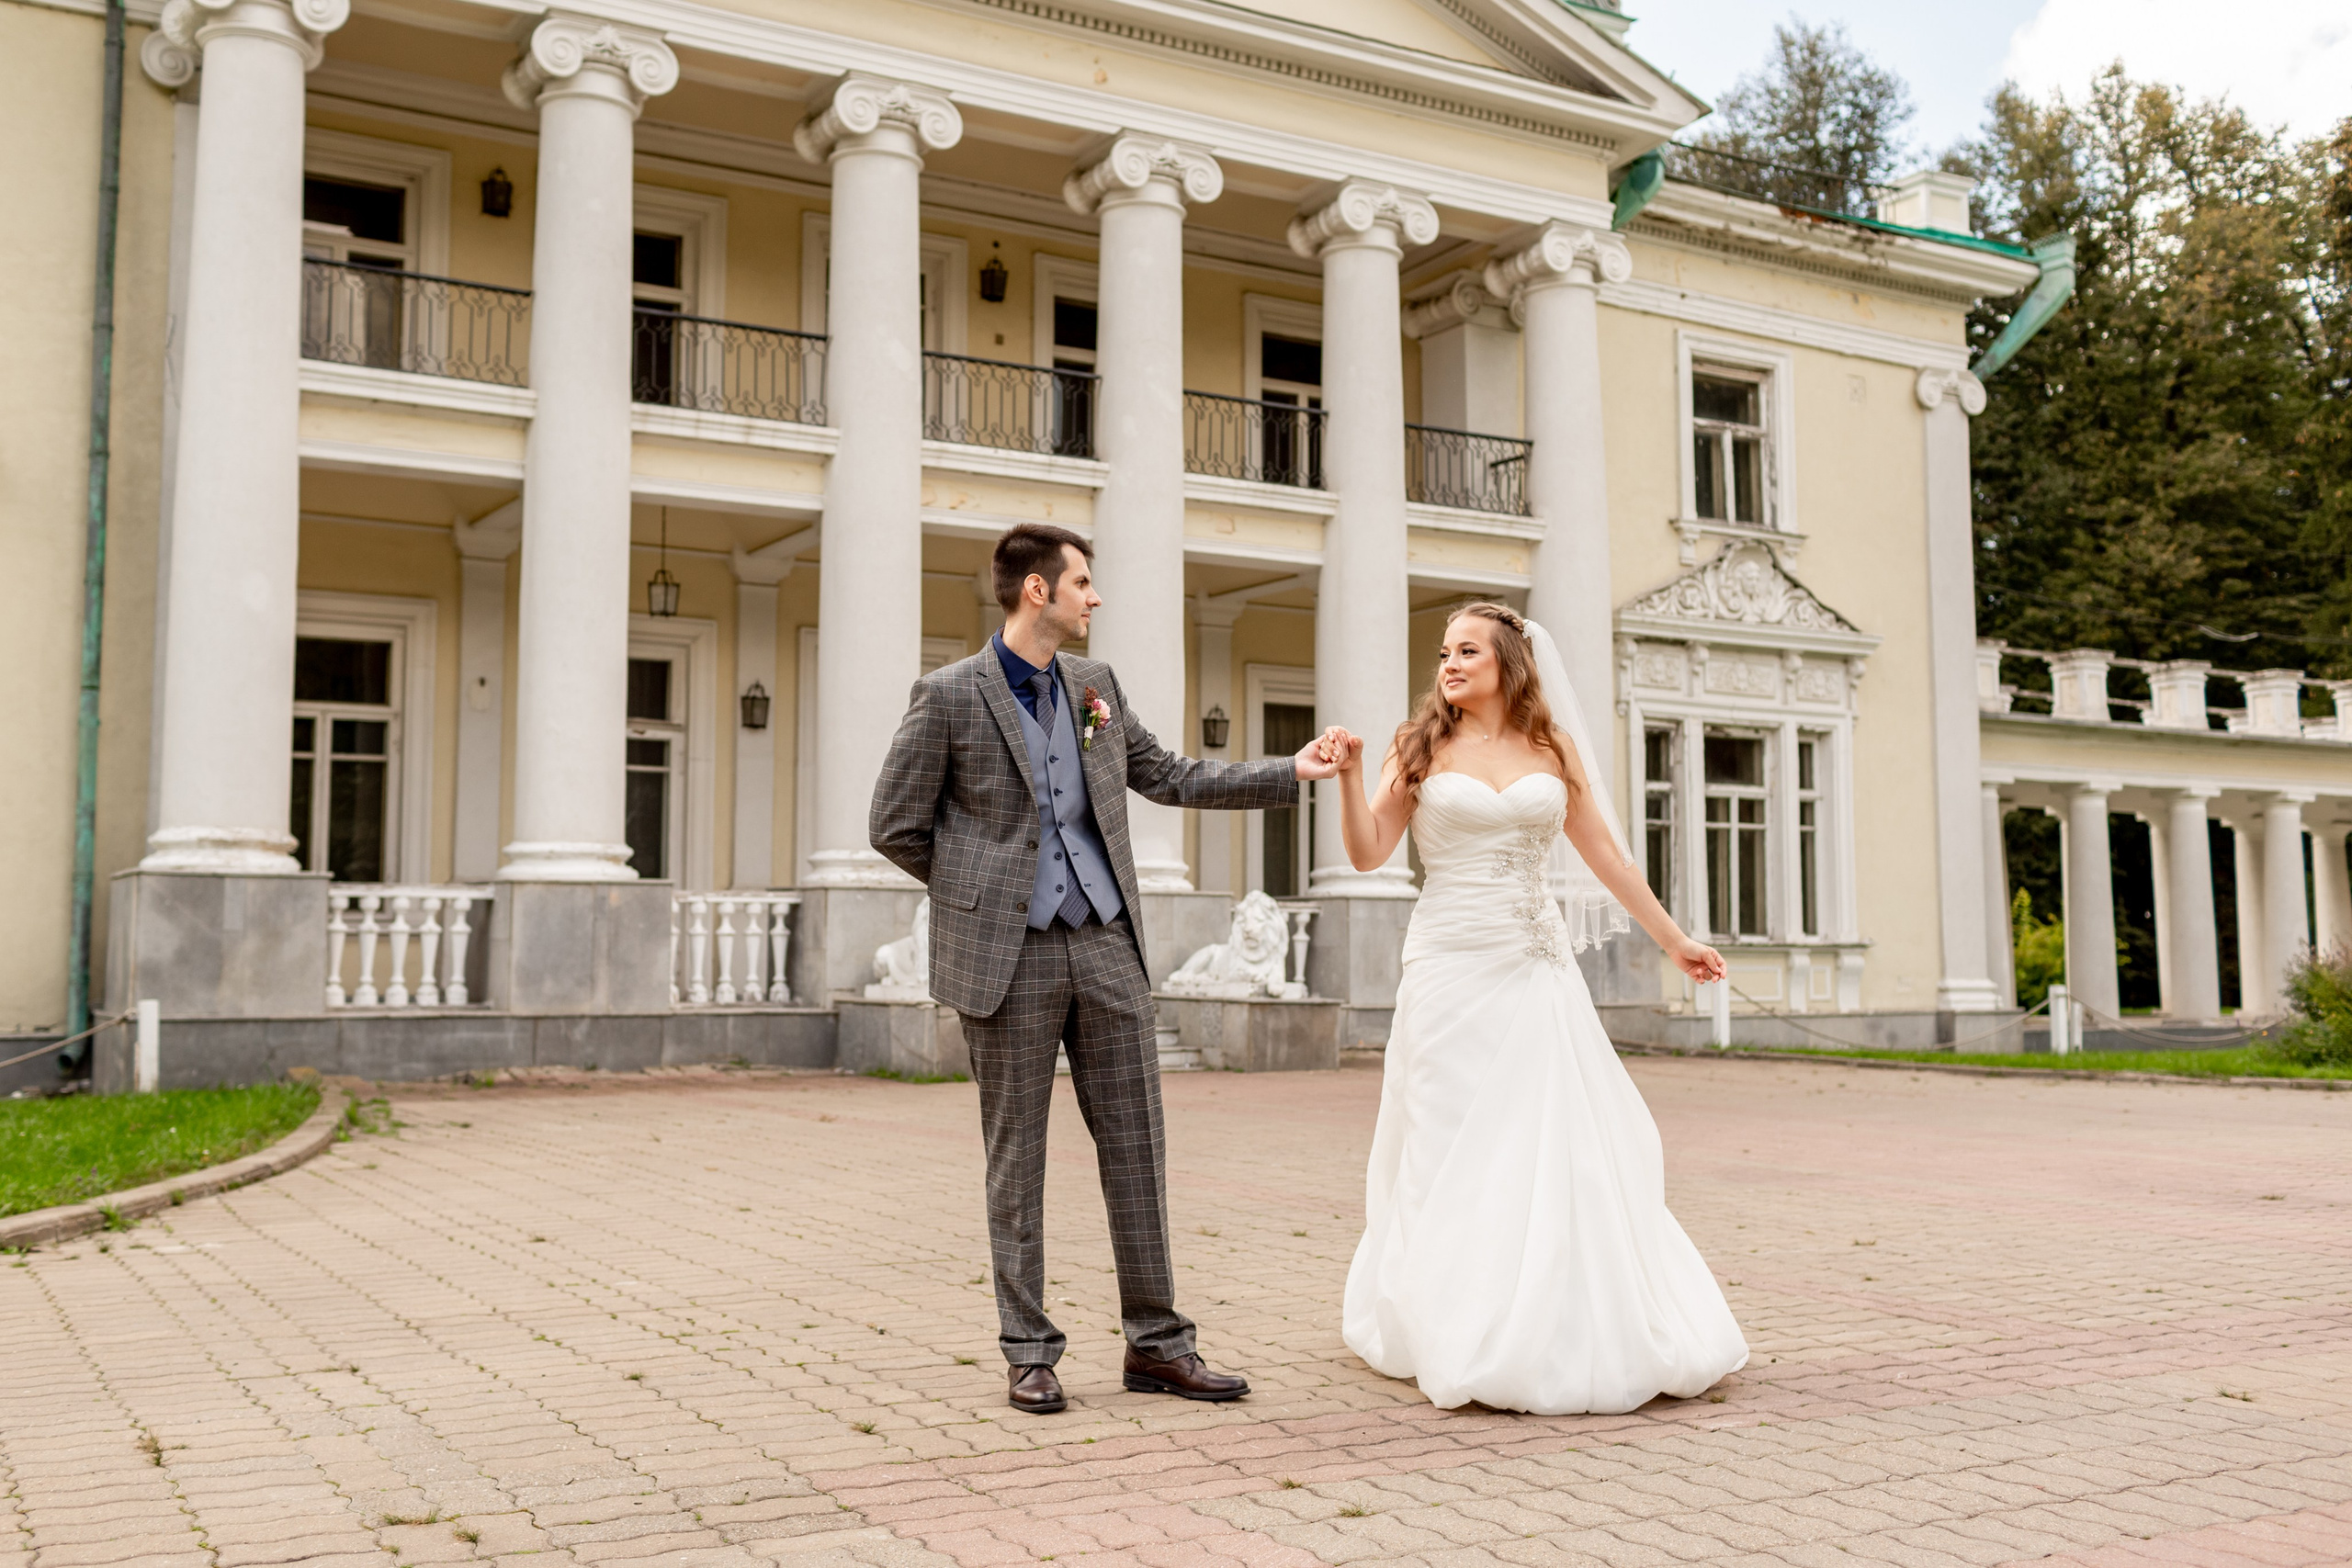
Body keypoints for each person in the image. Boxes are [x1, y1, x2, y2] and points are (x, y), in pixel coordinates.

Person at [869, 523, 1348, 1416]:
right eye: (1082, 582)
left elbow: (1169, 776)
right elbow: (894, 824)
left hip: (1105, 944)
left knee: (1138, 1151)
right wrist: (980, 893)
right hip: (1004, 959)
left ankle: (1159, 1346)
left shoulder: (1096, 688)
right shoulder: (946, 697)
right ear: (1036, 593)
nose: (1095, 597)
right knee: (1017, 1158)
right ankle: (1028, 1350)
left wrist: (1291, 769)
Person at [1321, 601, 1748, 1415]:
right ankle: (1454, 1316)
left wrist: (1674, 939)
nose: (1449, 664)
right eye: (1445, 651)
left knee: (1551, 1138)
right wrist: (1348, 777)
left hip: (1533, 966)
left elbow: (1608, 856)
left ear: (1508, 662)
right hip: (1448, 965)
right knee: (1448, 1143)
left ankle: (1554, 1317)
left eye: (1468, 650)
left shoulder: (1553, 748)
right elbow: (1369, 851)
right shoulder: (1418, 746)